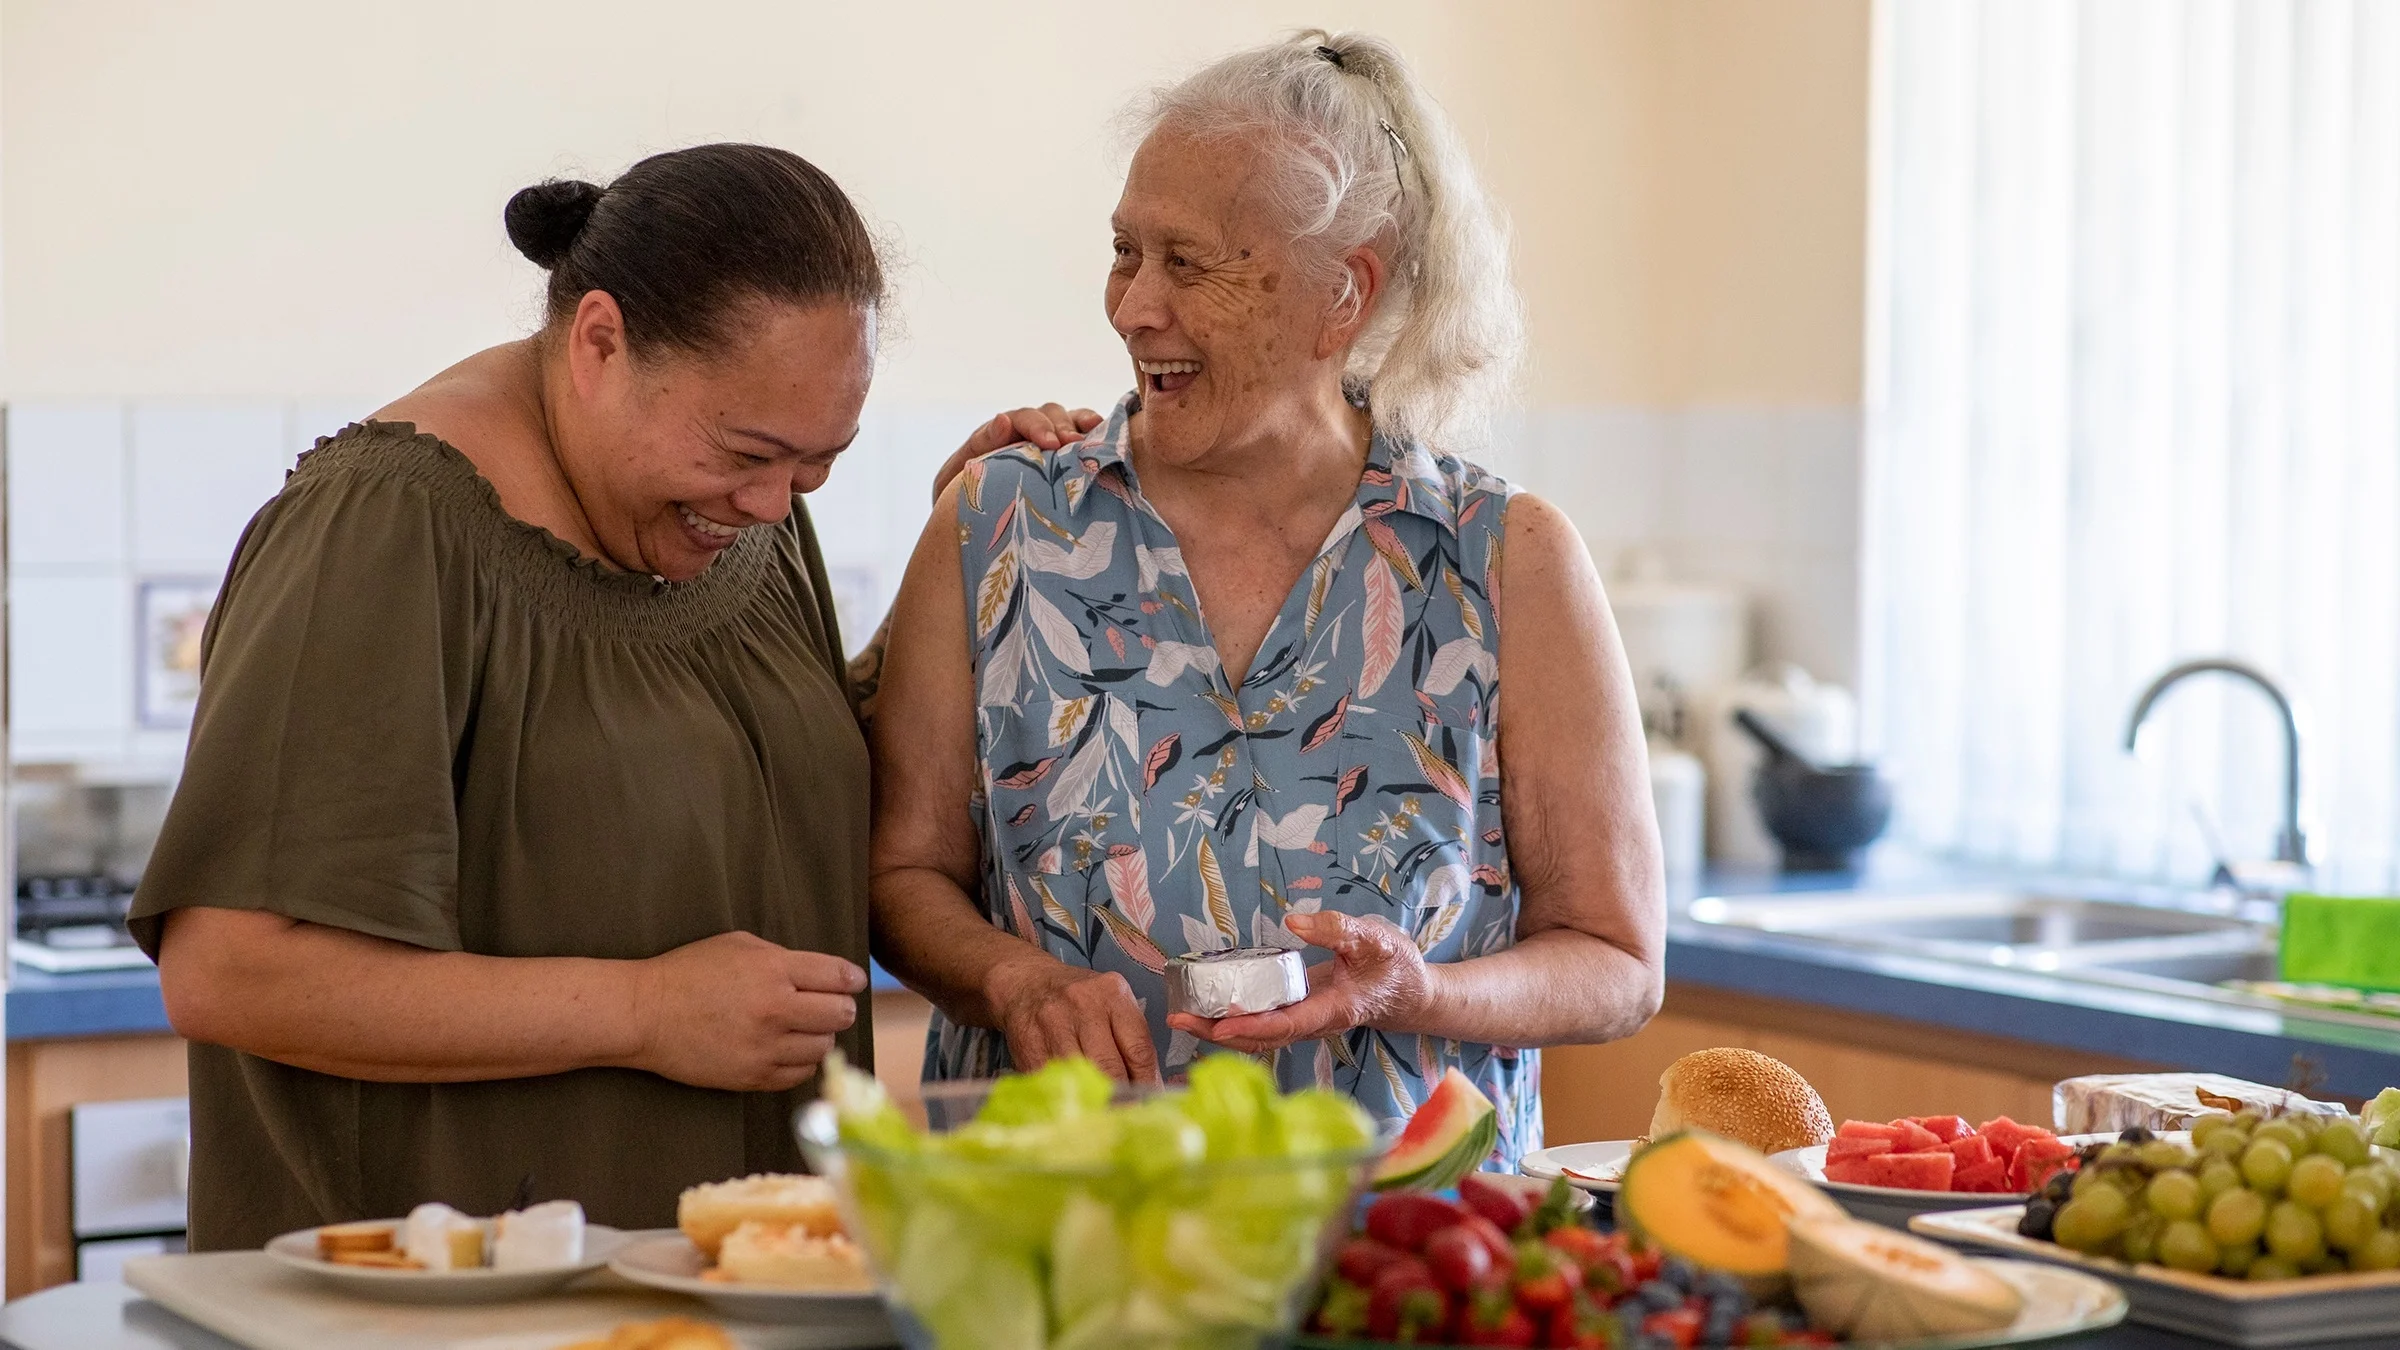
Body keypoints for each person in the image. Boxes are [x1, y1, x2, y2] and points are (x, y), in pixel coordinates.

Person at [130, 142, 1093, 1248]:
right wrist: (643, 1011)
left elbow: (777, 785)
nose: (778, 502)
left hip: (699, 1296)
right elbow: (231, 970)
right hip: (451, 1311)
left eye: (818, 465)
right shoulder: (388, 527)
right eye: (752, 451)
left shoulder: (731, 517)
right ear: (599, 342)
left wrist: (960, 542)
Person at [869, 32, 1666, 1167]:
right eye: (1124, 253)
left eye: (1189, 265)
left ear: (1343, 294)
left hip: (1409, 1254)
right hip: (1063, 1241)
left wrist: (1416, 991)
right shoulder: (1000, 524)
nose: (1134, 307)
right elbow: (899, 877)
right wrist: (1013, 977)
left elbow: (1618, 965)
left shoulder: (1507, 560)